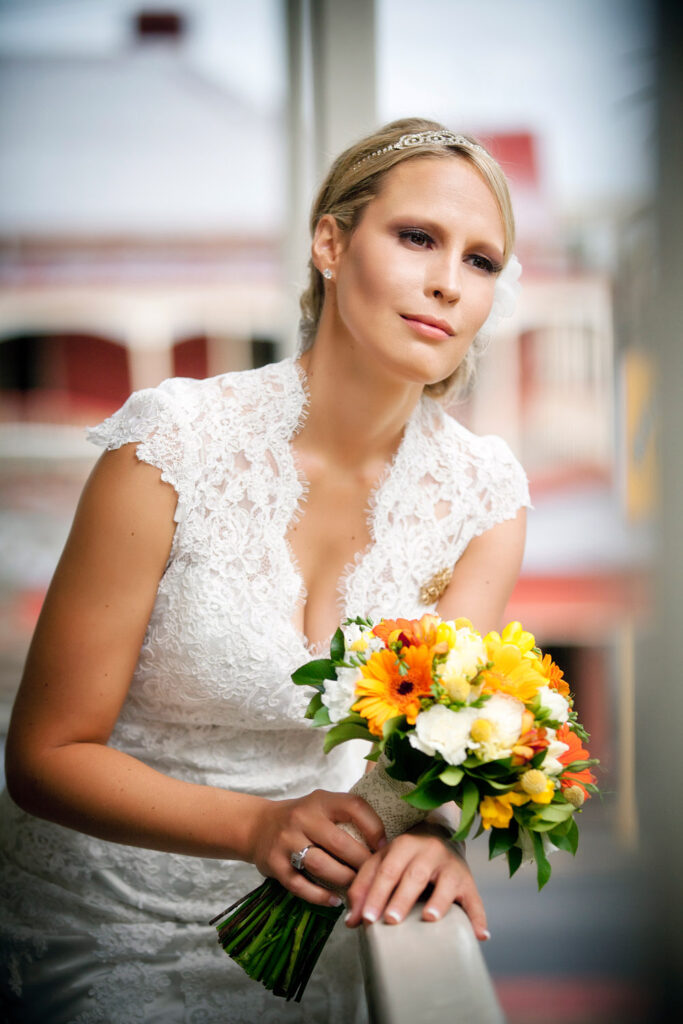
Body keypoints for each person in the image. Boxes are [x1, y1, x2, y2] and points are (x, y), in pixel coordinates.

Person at [0, 117, 530, 1023]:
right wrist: (254, 826)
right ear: (330, 241)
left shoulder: (485, 498)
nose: (449, 279)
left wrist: (437, 835)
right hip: (98, 924)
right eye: (417, 238)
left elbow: (427, 763)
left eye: (481, 261)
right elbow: (44, 757)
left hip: (310, 924)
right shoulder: (170, 445)